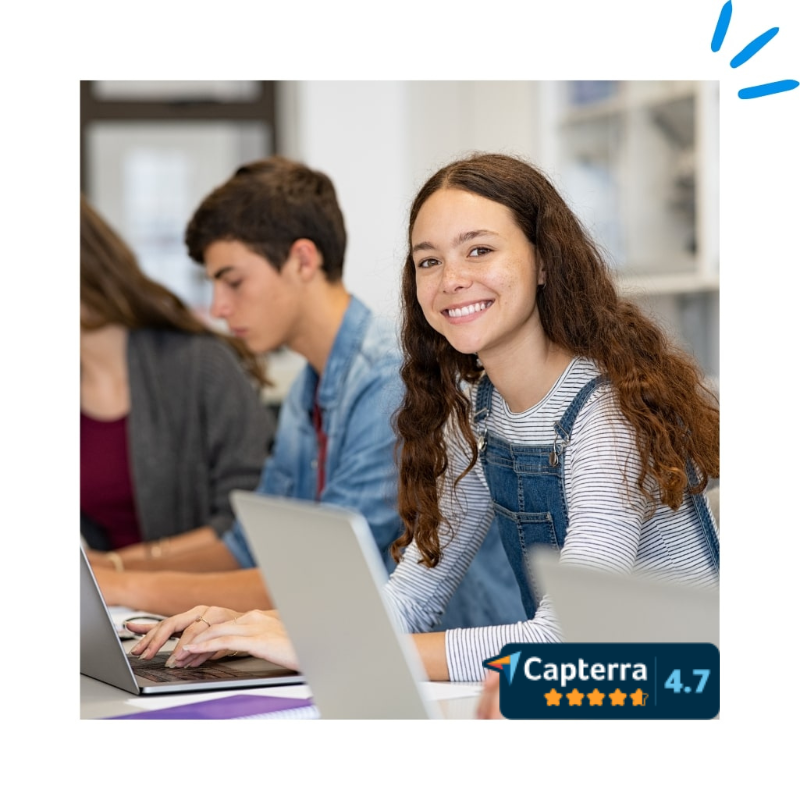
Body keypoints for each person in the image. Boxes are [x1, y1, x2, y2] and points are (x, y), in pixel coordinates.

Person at [129, 152, 719, 685]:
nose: (451, 279)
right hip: (593, 700)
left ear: (544, 261)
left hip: (684, 704)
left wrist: (326, 645)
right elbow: (410, 598)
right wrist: (254, 625)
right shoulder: (477, 411)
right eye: (428, 261)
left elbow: (569, 643)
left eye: (479, 250)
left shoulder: (604, 416)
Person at [98, 156, 526, 629]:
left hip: (453, 668)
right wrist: (110, 567)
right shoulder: (310, 385)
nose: (219, 307)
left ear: (303, 260)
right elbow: (248, 545)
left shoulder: (392, 377)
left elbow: (322, 574)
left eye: (233, 281)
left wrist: (117, 584)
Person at [80, 195, 274, 566]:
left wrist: (119, 569)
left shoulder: (201, 365)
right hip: (108, 605)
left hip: (198, 606)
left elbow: (248, 519)